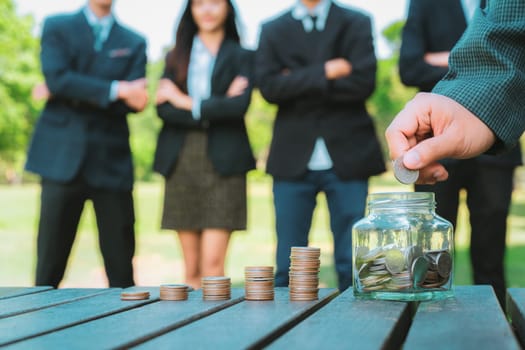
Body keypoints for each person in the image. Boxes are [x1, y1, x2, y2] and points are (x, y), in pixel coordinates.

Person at [255, 0, 385, 291]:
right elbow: (270, 88)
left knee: (352, 262)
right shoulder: (272, 29)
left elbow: (363, 83)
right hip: (292, 159)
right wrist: (328, 70)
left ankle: (362, 331)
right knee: (289, 265)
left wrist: (296, 79)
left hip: (349, 156)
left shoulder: (357, 21)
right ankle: (283, 333)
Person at [398, 0, 522, 306]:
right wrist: (480, 63)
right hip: (435, 146)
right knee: (430, 252)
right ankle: (427, 325)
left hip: (498, 149)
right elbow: (410, 67)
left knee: (491, 253)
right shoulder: (424, 4)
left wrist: (449, 61)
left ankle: (495, 331)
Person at [26, 0, 148, 288]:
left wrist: (70, 88)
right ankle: (44, 331)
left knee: (121, 272)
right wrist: (116, 89)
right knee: (48, 270)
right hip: (60, 159)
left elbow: (137, 101)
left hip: (111, 162)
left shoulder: (134, 41)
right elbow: (57, 79)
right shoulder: (57, 26)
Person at [153, 0, 255, 290]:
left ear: (227, 8)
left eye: (215, 2)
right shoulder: (175, 56)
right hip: (181, 160)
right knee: (191, 269)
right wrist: (215, 107)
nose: (207, 9)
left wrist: (184, 101)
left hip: (225, 162)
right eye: (199, 3)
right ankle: (193, 331)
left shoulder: (242, 56)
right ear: (190, 11)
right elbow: (163, 110)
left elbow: (239, 107)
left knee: (213, 267)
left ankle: (215, 331)